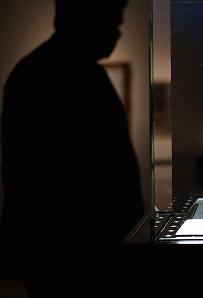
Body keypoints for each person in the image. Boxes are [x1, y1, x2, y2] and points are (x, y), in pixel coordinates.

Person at [0, 0, 143, 294]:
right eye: (114, 23)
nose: (117, 33)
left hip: (65, 251)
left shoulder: (34, 72)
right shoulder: (72, 77)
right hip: (78, 251)